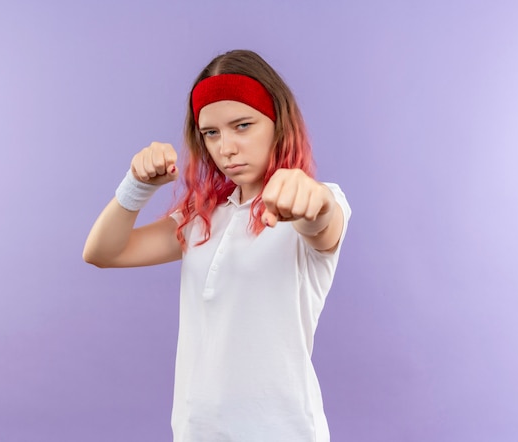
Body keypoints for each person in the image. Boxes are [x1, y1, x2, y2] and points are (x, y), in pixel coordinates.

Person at [83, 49, 351, 442]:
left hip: (283, 432)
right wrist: (137, 186)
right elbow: (102, 252)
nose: (226, 147)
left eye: (242, 125)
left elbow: (323, 222)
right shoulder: (203, 217)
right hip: (198, 432)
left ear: (278, 123)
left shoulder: (319, 199)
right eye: (212, 132)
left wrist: (313, 202)